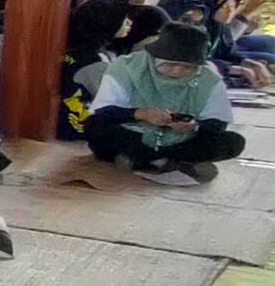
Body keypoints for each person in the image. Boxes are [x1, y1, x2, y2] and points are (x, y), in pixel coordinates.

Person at [84, 20, 248, 184]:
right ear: (154, 57)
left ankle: (146, 159)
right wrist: (140, 114)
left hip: (181, 140)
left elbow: (218, 123)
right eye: (170, 64)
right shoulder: (126, 68)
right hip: (134, 133)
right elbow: (103, 111)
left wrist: (195, 127)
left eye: (187, 67)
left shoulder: (208, 78)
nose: (177, 70)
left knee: (232, 142)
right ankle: (171, 161)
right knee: (95, 126)